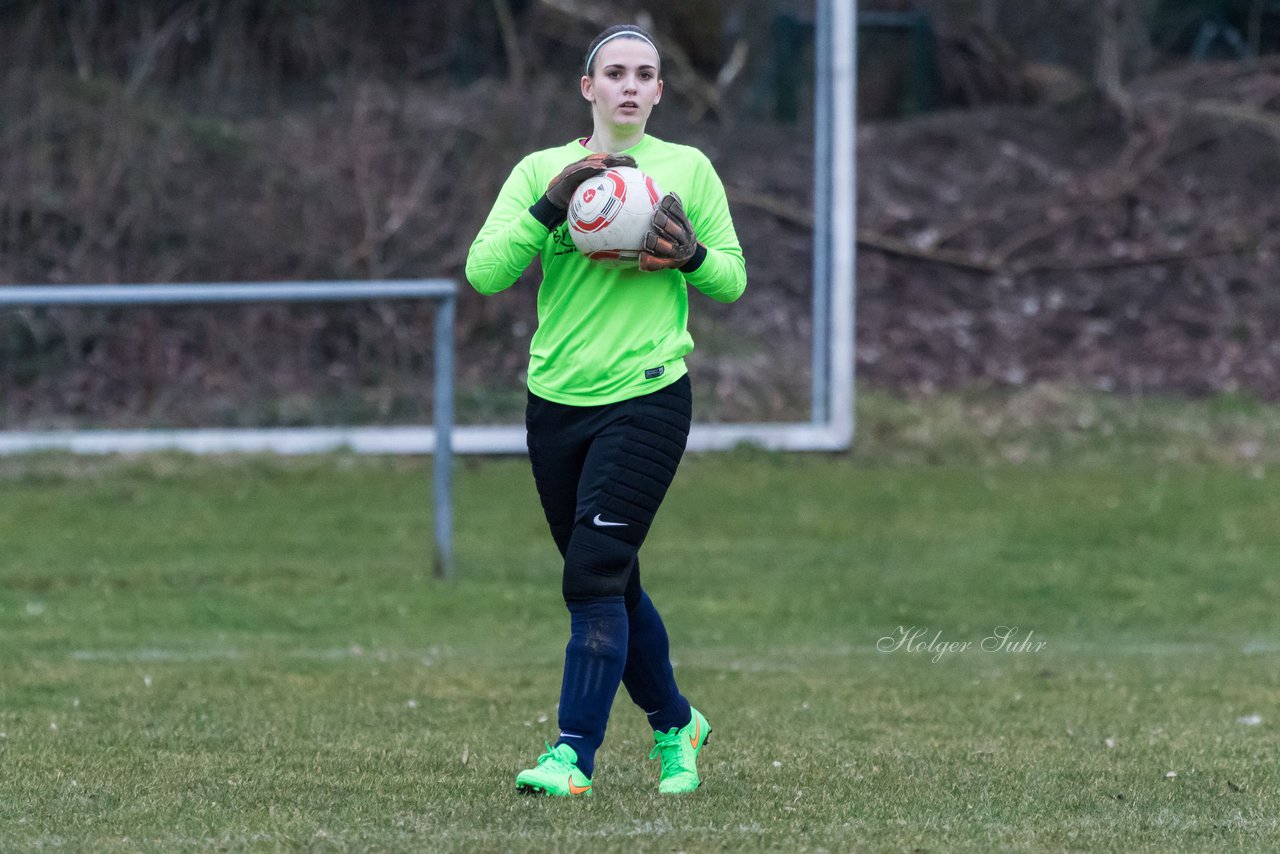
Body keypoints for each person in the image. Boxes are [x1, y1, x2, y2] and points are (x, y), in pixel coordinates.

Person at [465, 23, 746, 797]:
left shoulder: (687, 169)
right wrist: (550, 209)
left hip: (649, 395)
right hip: (556, 401)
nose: (629, 84)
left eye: (644, 73)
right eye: (614, 72)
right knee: (610, 579)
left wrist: (688, 256)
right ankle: (677, 724)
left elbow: (731, 278)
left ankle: (571, 756)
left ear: (660, 91)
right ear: (588, 88)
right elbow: (485, 273)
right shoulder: (541, 171)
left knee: (591, 573)